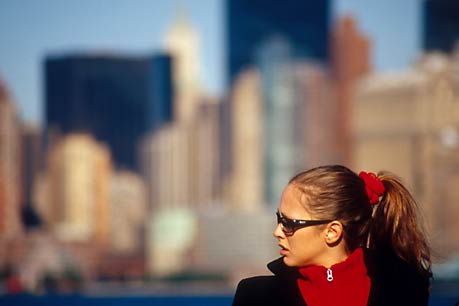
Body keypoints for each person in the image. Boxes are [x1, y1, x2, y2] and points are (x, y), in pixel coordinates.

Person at [232, 165, 432, 306]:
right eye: (279, 219)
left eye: (289, 223)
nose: (277, 232)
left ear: (332, 231)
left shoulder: (405, 288)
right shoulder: (256, 296)